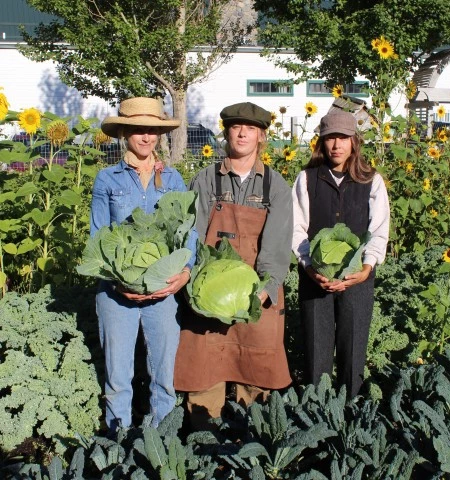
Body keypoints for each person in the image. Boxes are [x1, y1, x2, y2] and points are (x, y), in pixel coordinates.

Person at [174, 101, 293, 430]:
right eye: (236, 127)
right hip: (207, 300)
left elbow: (276, 249)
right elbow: (192, 237)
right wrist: (197, 288)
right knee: (203, 376)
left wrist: (262, 294)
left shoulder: (275, 187)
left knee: (254, 378)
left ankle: (250, 449)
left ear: (261, 137)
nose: (242, 133)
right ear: (226, 132)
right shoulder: (205, 179)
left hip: (256, 299)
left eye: (250, 128)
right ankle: (203, 445)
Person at [91, 97, 197, 434]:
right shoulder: (107, 180)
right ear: (124, 133)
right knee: (118, 378)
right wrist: (118, 282)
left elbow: (187, 232)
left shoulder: (174, 179)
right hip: (115, 294)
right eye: (138, 130)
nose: (146, 137)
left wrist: (185, 272)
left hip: (164, 291)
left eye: (152, 130)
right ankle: (117, 445)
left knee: (164, 376)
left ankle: (161, 444)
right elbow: (97, 238)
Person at [292, 109, 390, 398]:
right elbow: (297, 229)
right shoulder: (306, 179)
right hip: (314, 280)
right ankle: (317, 415)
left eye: (343, 138)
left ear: (354, 142)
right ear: (321, 142)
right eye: (330, 138)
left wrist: (365, 269)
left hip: (358, 282)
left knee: (352, 352)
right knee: (316, 354)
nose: (336, 145)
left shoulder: (372, 180)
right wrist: (310, 268)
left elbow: (379, 230)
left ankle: (351, 418)